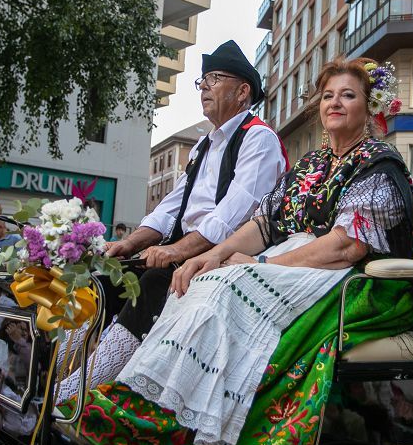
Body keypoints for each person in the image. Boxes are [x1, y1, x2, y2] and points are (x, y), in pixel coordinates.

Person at [57, 57, 413, 445]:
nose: (335, 103)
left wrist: (257, 262)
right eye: (328, 95)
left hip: (343, 276)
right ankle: (145, 407)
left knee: (223, 289)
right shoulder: (312, 164)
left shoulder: (379, 166)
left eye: (348, 95)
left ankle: (168, 421)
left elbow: (345, 246)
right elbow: (262, 224)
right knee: (202, 278)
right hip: (295, 261)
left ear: (368, 107)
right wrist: (213, 253)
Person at [103, 40, 287, 328]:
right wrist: (129, 243)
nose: (204, 86)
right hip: (190, 250)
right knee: (107, 277)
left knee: (154, 281)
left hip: (229, 255)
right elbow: (170, 208)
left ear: (242, 92)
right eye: (203, 80)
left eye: (215, 78)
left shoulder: (258, 138)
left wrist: (177, 250)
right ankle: (77, 364)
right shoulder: (204, 145)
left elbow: (233, 213)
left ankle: (103, 371)